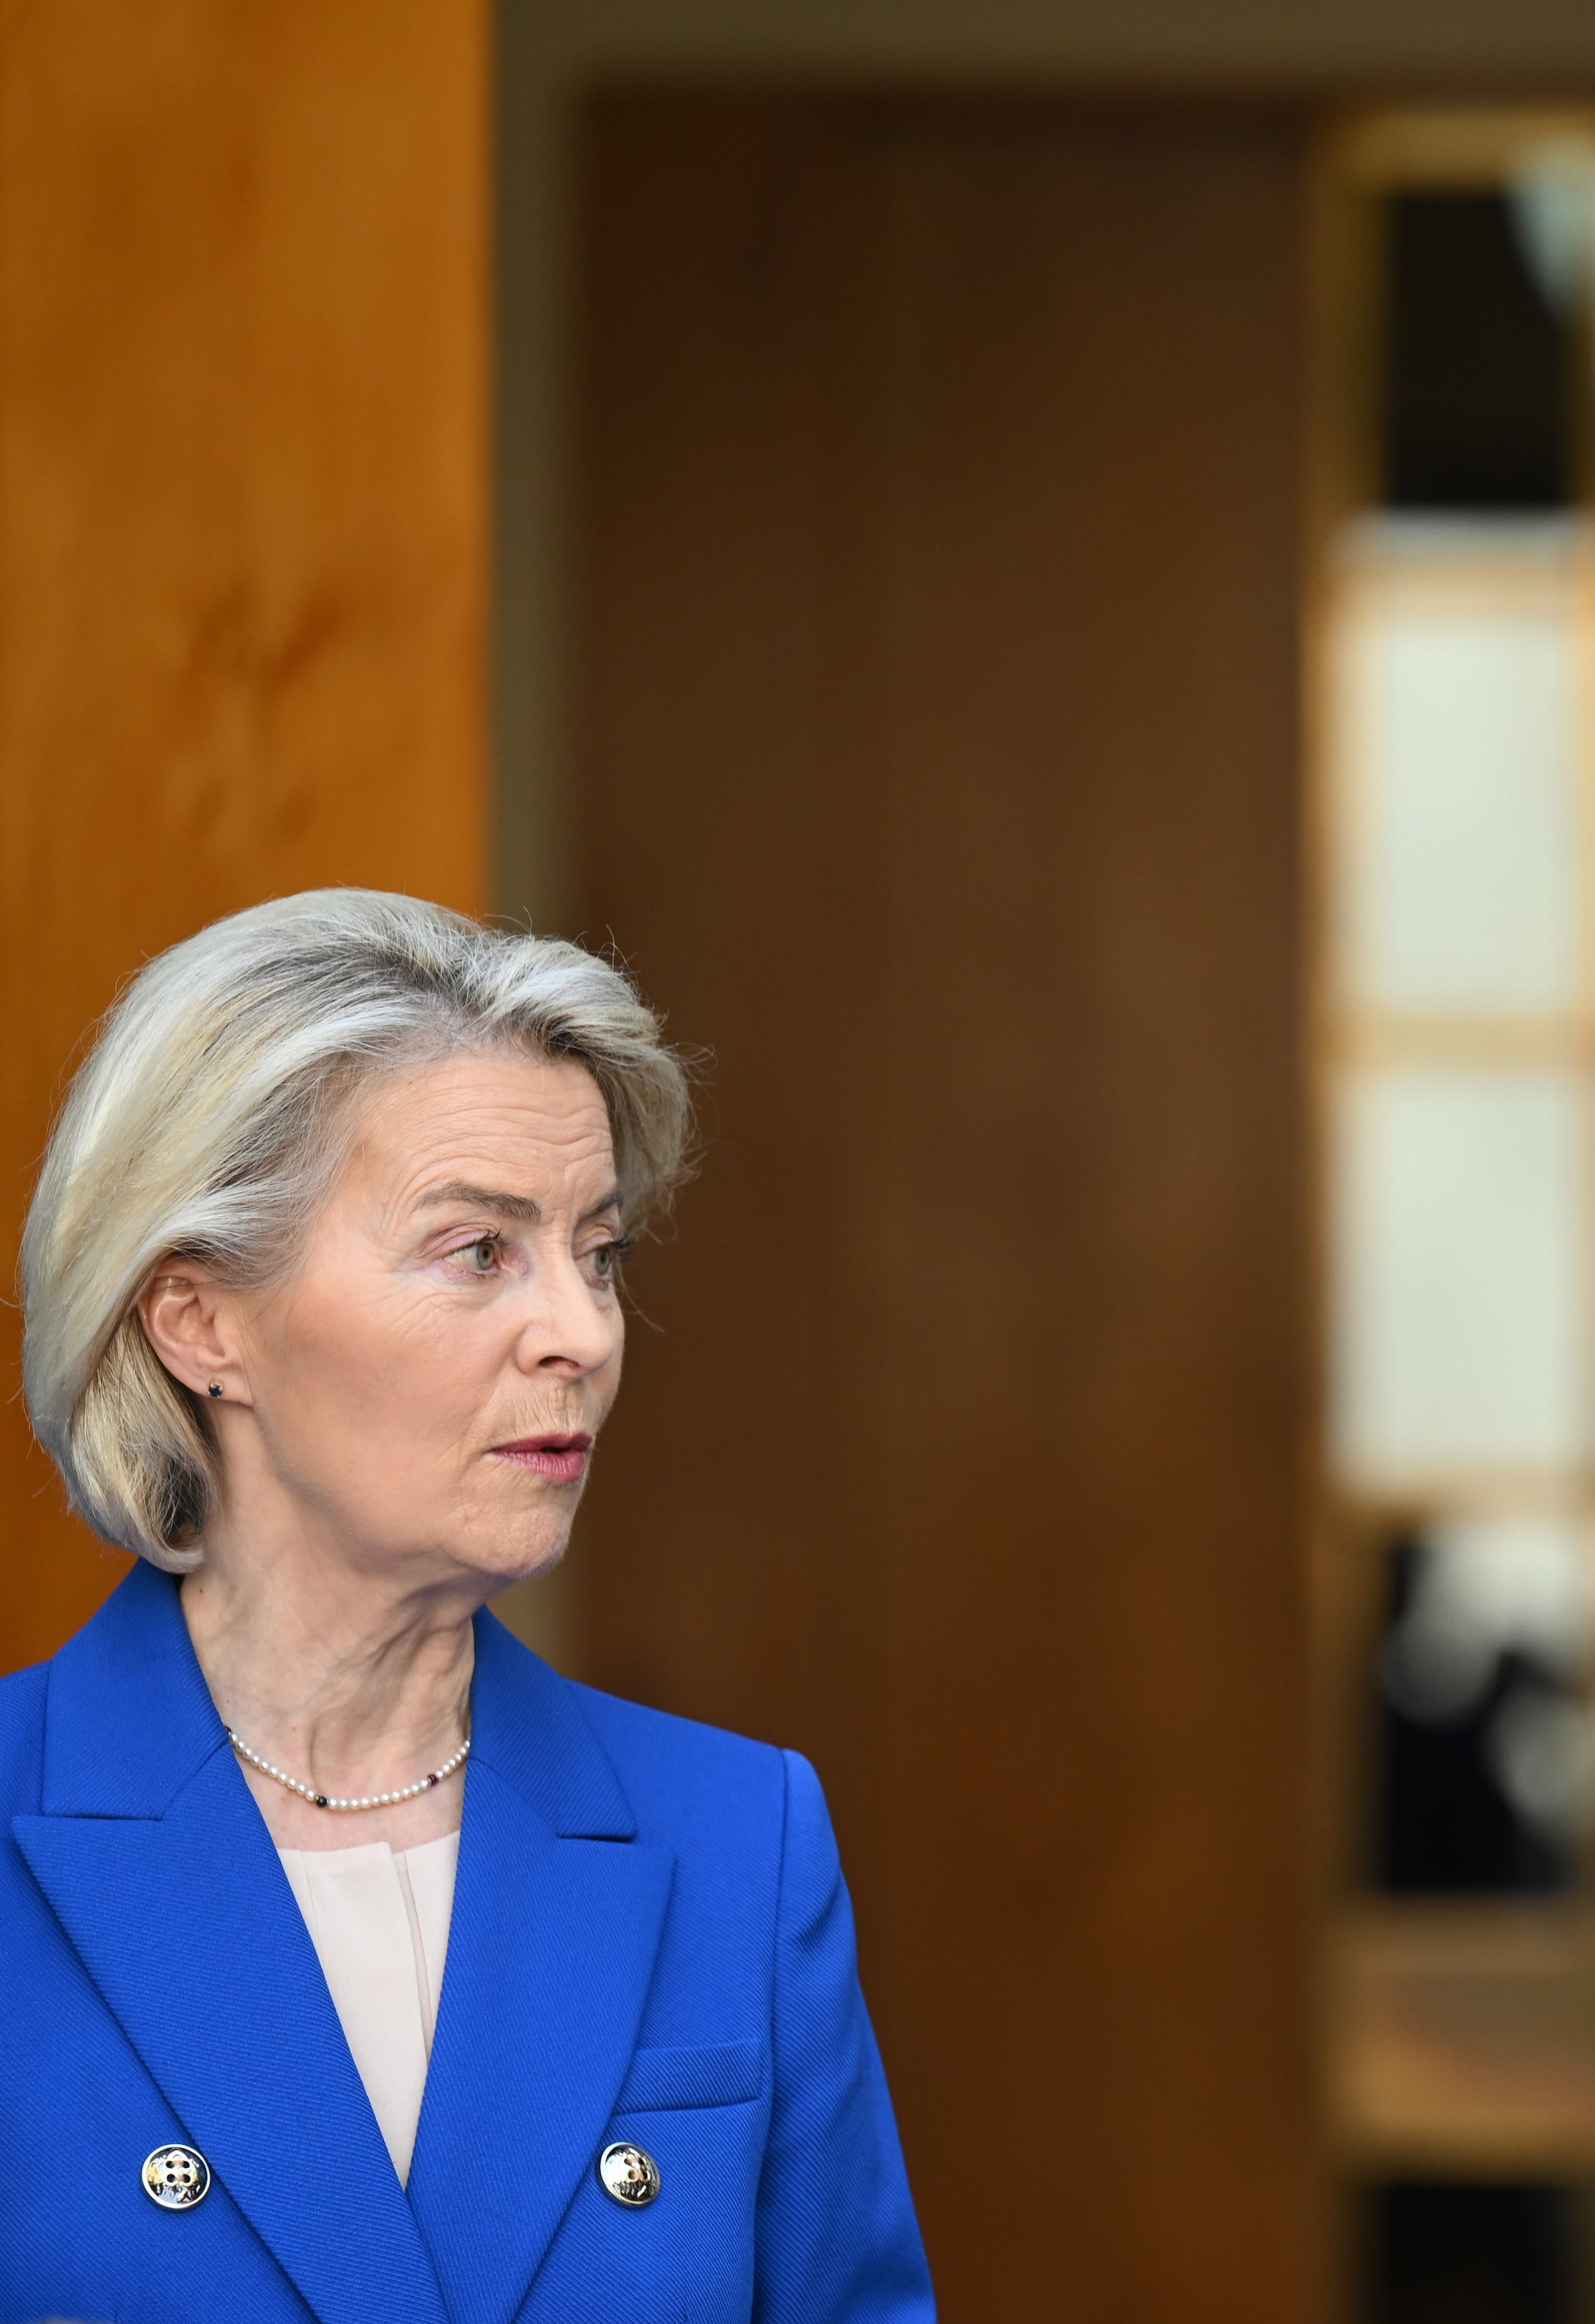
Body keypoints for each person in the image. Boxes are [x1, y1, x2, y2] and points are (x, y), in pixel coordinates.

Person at [2, 891, 932, 2320]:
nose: (581, 1329)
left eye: (597, 1251)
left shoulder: (742, 1842)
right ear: (201, 1322)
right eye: (479, 1252)